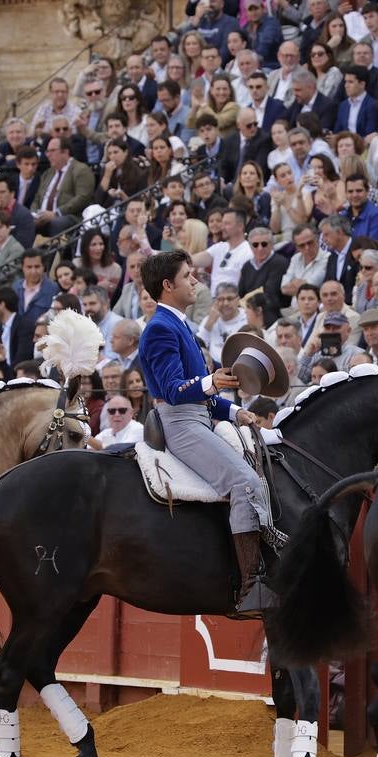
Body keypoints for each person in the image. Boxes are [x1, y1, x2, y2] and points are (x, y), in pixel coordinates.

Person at [136, 250, 282, 618]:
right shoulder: (161, 328)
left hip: (197, 418)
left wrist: (235, 412)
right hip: (181, 424)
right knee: (244, 482)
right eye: (187, 275)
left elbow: (200, 394)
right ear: (167, 285)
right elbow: (174, 391)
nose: (195, 281)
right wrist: (212, 382)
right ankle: (251, 586)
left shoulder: (177, 324)